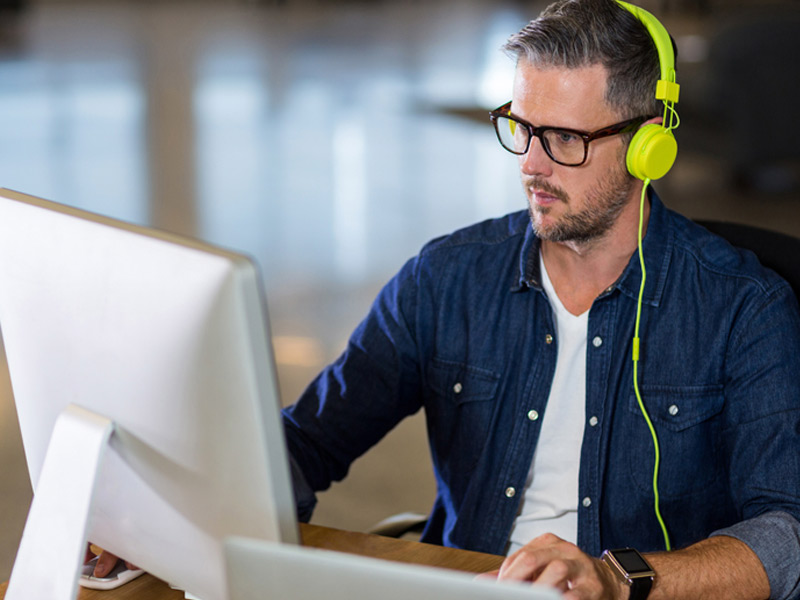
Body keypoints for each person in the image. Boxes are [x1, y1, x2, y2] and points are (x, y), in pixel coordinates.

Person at [282, 1, 800, 599]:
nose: (531, 164)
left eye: (562, 138)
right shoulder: (446, 277)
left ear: (646, 145)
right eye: (522, 128)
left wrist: (615, 577)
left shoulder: (744, 308)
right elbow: (308, 441)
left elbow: (786, 532)